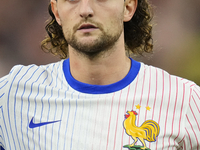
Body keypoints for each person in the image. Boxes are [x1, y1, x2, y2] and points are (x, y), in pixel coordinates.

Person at [0, 0, 199, 149]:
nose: (85, 10)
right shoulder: (12, 95)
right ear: (57, 12)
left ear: (128, 7)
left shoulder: (184, 99)